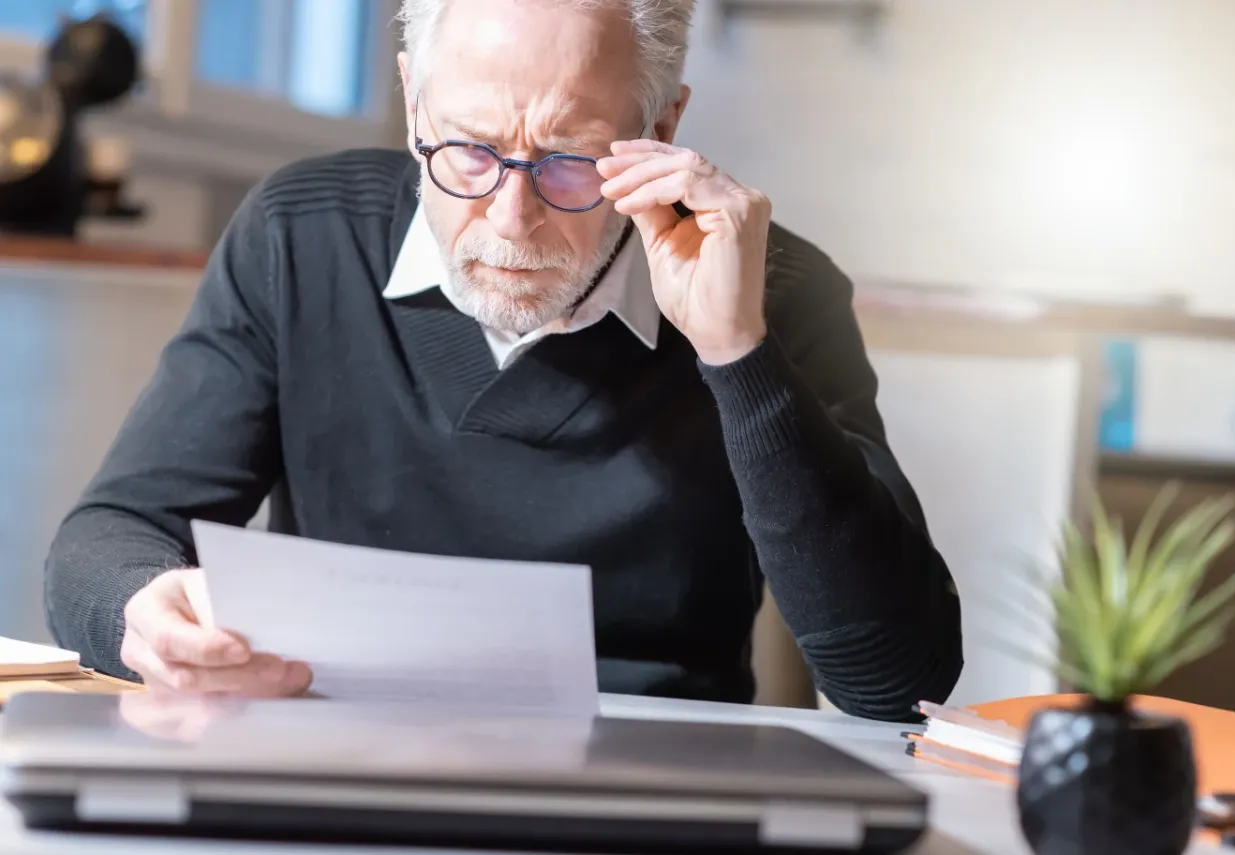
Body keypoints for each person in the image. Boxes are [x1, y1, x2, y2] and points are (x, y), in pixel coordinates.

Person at [44, 0, 962, 720]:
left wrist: (737, 351)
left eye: (571, 161)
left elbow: (896, 680)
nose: (511, 220)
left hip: (653, 774)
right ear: (412, 103)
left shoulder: (774, 290)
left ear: (665, 128)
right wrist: (141, 608)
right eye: (470, 151)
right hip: (332, 747)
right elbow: (105, 540)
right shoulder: (303, 235)